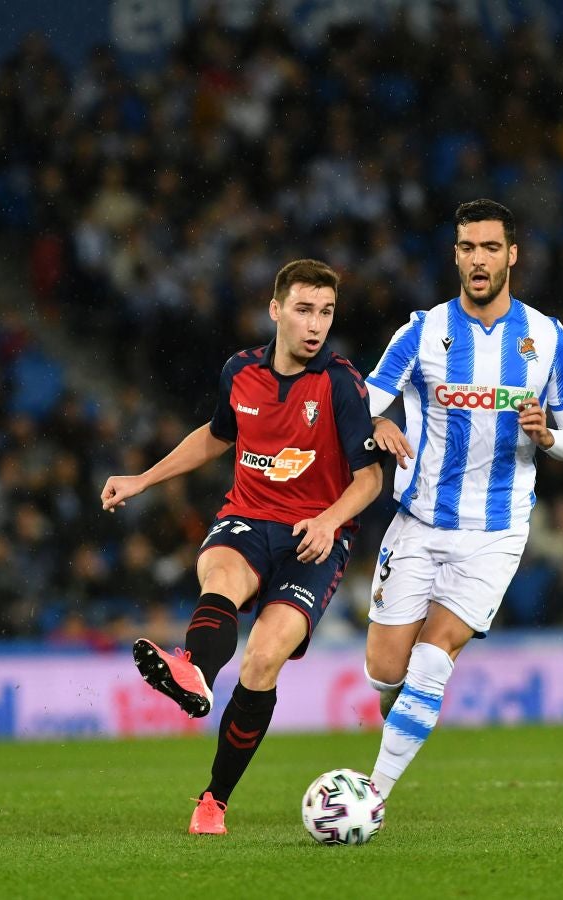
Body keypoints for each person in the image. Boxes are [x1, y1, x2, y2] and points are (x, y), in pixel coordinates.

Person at [99, 259, 383, 834]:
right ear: (275, 310)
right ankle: (194, 671)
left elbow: (371, 478)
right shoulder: (240, 372)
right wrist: (142, 479)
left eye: (326, 312)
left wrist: (329, 521)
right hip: (248, 517)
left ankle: (213, 800)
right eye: (304, 310)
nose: (316, 325)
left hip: (314, 538)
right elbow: (215, 437)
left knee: (261, 659)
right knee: (220, 575)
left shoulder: (341, 385)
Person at [361, 199, 563, 799]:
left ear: (512, 255)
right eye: (468, 248)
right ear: (456, 254)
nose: (479, 259)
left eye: (491, 247)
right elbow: (366, 397)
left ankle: (372, 794)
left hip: (495, 531)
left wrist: (548, 437)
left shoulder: (546, 337)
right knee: (387, 670)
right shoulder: (423, 331)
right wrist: (380, 424)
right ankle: (404, 715)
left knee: (434, 657)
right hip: (418, 521)